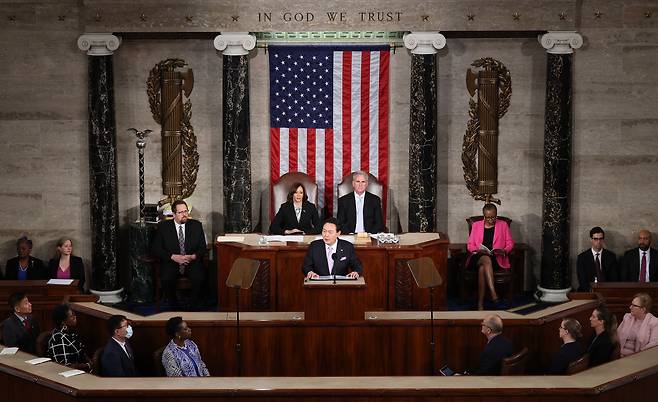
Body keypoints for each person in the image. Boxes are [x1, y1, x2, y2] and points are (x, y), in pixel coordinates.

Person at [151, 199, 207, 309]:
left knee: (199, 277)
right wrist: (173, 257)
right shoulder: (164, 227)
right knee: (166, 278)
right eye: (180, 212)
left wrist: (193, 256)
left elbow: (202, 248)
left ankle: (192, 304)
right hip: (172, 261)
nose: (184, 215)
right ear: (173, 214)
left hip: (191, 261)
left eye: (186, 211)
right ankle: (174, 305)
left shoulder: (196, 225)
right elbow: (156, 248)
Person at [465, 203, 515, 310]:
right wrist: (477, 249)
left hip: (496, 258)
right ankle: (493, 293)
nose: (490, 220)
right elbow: (469, 245)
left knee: (483, 268)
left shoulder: (503, 225)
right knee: (484, 258)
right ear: (484, 216)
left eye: (493, 217)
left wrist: (504, 250)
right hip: (477, 257)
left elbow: (510, 243)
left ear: (496, 214)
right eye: (488, 218)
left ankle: (480, 304)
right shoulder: (476, 225)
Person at [46, 304, 92, 372]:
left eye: (74, 315)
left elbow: (82, 352)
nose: (75, 317)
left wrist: (90, 362)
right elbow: (65, 366)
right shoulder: (59, 339)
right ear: (63, 322)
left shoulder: (71, 333)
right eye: (71, 316)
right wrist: (88, 365)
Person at [576, 227, 618, 291]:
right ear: (591, 239)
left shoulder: (611, 256)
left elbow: (614, 279)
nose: (598, 241)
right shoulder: (582, 258)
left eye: (601, 239)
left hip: (606, 291)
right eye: (595, 239)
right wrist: (591, 291)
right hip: (588, 291)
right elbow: (582, 280)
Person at [617, 292, 658, 357]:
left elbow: (653, 344)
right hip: (620, 356)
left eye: (634, 305)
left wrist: (636, 356)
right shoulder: (627, 317)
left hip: (640, 358)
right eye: (631, 304)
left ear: (643, 309)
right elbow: (617, 337)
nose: (630, 307)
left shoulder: (654, 322)